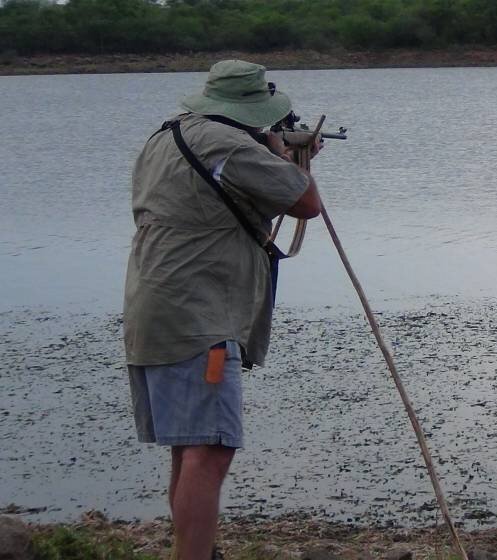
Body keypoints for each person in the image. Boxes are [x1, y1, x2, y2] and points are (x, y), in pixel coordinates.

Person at [123, 60, 323, 560]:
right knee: (210, 450)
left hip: (154, 308)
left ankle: (194, 551)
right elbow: (306, 202)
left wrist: (275, 155)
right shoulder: (230, 145)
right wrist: (286, 155)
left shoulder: (165, 136)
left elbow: (212, 201)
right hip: (199, 314)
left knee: (190, 447)